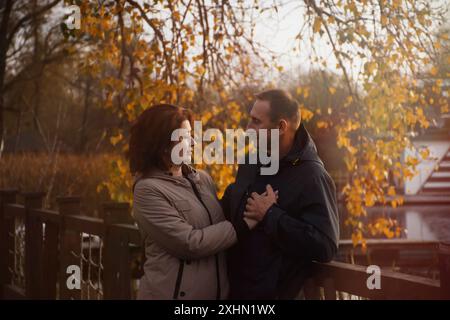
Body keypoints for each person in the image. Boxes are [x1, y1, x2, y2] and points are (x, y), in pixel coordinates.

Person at [129, 104, 256, 300]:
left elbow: (217, 219)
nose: (195, 142)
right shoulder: (147, 189)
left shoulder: (202, 179)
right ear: (163, 145)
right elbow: (190, 244)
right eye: (186, 137)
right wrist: (243, 226)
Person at [222, 89, 340, 299]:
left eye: (256, 122)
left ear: (281, 127)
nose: (248, 129)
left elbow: (325, 246)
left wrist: (270, 215)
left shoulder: (311, 175)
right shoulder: (250, 162)